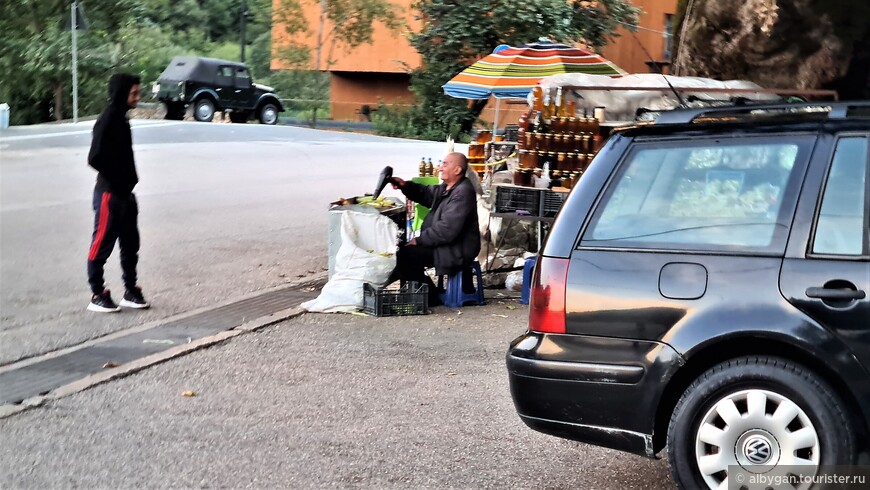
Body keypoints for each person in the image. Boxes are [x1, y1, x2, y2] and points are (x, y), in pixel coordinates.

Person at [85, 73, 150, 312]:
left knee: (131, 244)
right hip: (109, 194)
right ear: (122, 93)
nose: (137, 97)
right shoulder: (108, 120)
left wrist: (127, 182)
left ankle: (130, 290)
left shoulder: (122, 119)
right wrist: (119, 178)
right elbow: (95, 157)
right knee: (101, 244)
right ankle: (97, 293)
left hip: (125, 195)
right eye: (134, 93)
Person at [389, 152, 481, 305]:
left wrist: (419, 240)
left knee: (407, 254)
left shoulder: (463, 192)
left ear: (457, 170)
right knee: (404, 251)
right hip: (447, 245)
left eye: (445, 165)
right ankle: (420, 295)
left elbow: (447, 229)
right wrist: (404, 185)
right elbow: (426, 194)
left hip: (457, 249)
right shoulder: (447, 188)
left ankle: (428, 298)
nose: (439, 168)